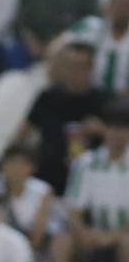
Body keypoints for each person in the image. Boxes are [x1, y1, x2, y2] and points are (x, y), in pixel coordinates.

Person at [23, 41, 109, 193]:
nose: (74, 72)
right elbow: (23, 132)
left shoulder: (103, 102)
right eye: (70, 66)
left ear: (91, 68)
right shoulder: (48, 97)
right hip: (48, 181)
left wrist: (101, 130)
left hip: (90, 183)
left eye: (80, 67)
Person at [55, 104, 129, 262]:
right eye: (112, 127)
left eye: (124, 128)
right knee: (60, 244)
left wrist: (115, 235)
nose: (117, 134)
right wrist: (83, 232)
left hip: (124, 234)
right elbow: (73, 208)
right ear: (104, 130)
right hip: (92, 233)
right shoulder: (85, 163)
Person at [63, 0, 129, 97]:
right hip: (88, 96)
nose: (121, 10)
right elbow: (59, 46)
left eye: (126, 6)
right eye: (117, 4)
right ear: (107, 5)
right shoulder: (91, 26)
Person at [0, 143, 59, 250]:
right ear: (3, 167)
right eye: (11, 163)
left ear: (31, 168)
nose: (16, 169)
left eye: (21, 164)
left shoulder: (43, 191)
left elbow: (39, 230)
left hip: (42, 242)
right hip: (9, 245)